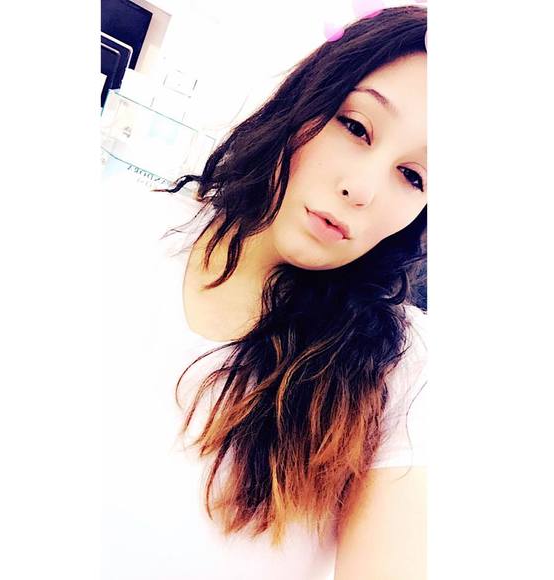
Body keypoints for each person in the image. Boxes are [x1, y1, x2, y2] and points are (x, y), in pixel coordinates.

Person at [102, 5, 427, 579]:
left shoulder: (401, 368)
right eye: (356, 127)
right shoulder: (120, 226)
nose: (361, 189)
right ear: (308, 98)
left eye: (413, 176)